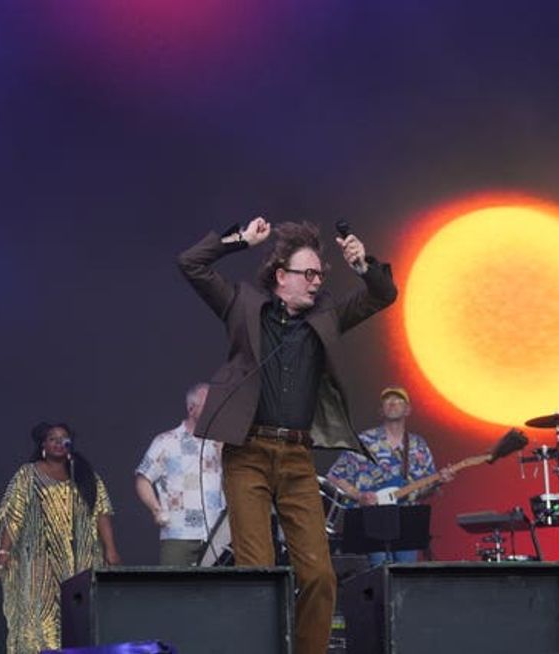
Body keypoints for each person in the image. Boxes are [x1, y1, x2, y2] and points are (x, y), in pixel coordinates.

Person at [177, 217, 397, 654]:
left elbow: (383, 294)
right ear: (281, 276)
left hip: (297, 458)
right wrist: (240, 239)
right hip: (248, 454)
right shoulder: (242, 304)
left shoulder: (326, 319)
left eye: (321, 275)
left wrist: (361, 264)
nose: (316, 283)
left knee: (318, 575)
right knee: (259, 573)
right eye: (308, 274)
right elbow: (191, 264)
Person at [0, 422, 121, 654]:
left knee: (80, 620)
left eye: (64, 438)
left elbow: (102, 512)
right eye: (53, 438)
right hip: (42, 563)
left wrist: (111, 550)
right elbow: (13, 515)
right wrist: (3, 551)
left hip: (82, 560)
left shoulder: (84, 474)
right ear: (43, 444)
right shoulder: (27, 474)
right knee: (44, 622)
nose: (59, 442)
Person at [327, 385, 453, 564]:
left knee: (404, 578)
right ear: (381, 410)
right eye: (387, 400)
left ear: (408, 410)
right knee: (376, 576)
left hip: (407, 524)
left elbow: (425, 490)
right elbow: (334, 477)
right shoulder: (364, 441)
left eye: (399, 400)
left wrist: (439, 482)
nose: (393, 403)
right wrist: (359, 496)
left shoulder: (418, 445)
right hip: (371, 522)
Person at [135, 382, 226, 565]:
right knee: (175, 591)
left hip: (217, 535)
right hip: (178, 534)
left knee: (218, 591)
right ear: (191, 408)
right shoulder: (166, 441)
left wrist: (223, 453)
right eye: (208, 404)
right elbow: (142, 479)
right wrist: (156, 509)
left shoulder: (221, 442)